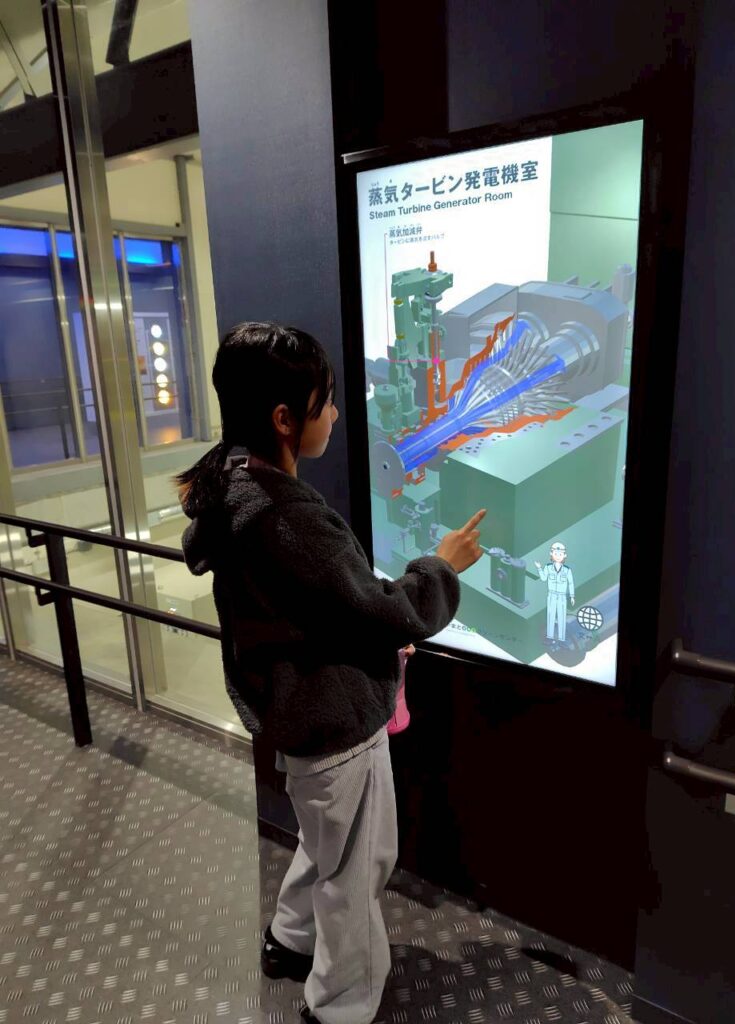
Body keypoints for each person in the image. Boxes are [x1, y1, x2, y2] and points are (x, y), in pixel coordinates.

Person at [177, 322, 486, 1024]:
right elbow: (384, 610)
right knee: (356, 868)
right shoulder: (286, 518)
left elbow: (319, 606)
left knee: (327, 844)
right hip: (333, 722)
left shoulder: (235, 487)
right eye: (325, 403)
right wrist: (442, 567)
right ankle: (340, 1004)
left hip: (294, 713)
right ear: (285, 419)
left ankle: (290, 940)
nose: (337, 415)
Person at [534, 541, 575, 647]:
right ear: (551, 554)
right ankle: (549, 637)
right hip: (551, 595)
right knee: (551, 616)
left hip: (562, 596)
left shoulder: (567, 570)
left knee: (561, 617)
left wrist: (572, 596)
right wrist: (539, 568)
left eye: (560, 554)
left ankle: (561, 638)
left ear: (564, 555)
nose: (558, 556)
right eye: (556, 553)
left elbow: (571, 583)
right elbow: (543, 578)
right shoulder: (548, 567)